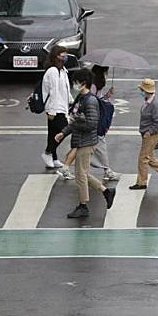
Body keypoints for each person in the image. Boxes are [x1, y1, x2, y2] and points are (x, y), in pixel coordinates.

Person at [55, 69, 116, 218]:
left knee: (80, 175)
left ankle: (83, 205)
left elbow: (91, 124)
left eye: (76, 82)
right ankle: (106, 192)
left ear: (84, 83)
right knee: (83, 174)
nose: (74, 85)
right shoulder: (80, 98)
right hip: (81, 140)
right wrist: (64, 132)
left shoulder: (90, 101)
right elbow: (75, 119)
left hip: (86, 142)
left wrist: (76, 124)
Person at [129, 78, 158, 190]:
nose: (140, 91)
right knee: (149, 157)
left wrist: (149, 132)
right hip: (148, 134)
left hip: (151, 135)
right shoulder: (148, 101)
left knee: (143, 158)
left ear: (146, 90)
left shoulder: (155, 105)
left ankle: (142, 182)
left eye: (141, 89)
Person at [42, 45, 73, 171]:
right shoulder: (53, 71)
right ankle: (48, 152)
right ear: (56, 56)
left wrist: (71, 101)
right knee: (64, 131)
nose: (65, 57)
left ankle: (54, 158)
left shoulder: (63, 70)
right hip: (55, 108)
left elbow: (65, 89)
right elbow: (53, 91)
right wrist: (53, 111)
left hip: (62, 106)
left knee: (53, 133)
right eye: (62, 55)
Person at [89, 65, 120, 181]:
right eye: (105, 72)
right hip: (94, 120)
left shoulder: (97, 85)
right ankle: (107, 170)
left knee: (88, 147)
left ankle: (68, 166)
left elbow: (99, 100)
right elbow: (93, 101)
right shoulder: (92, 86)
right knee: (100, 145)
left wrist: (108, 95)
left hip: (95, 119)